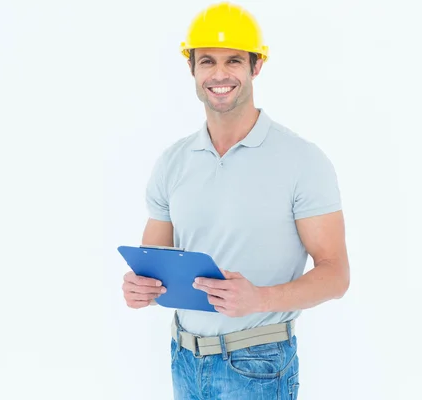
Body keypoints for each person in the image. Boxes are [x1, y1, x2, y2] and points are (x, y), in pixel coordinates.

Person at [122, 2, 350, 399]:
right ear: (192, 68)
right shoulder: (173, 161)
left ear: (256, 66)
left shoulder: (301, 160)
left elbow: (336, 275)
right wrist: (140, 286)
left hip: (258, 362)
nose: (220, 74)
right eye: (207, 61)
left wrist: (260, 298)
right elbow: (155, 256)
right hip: (184, 357)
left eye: (234, 61)